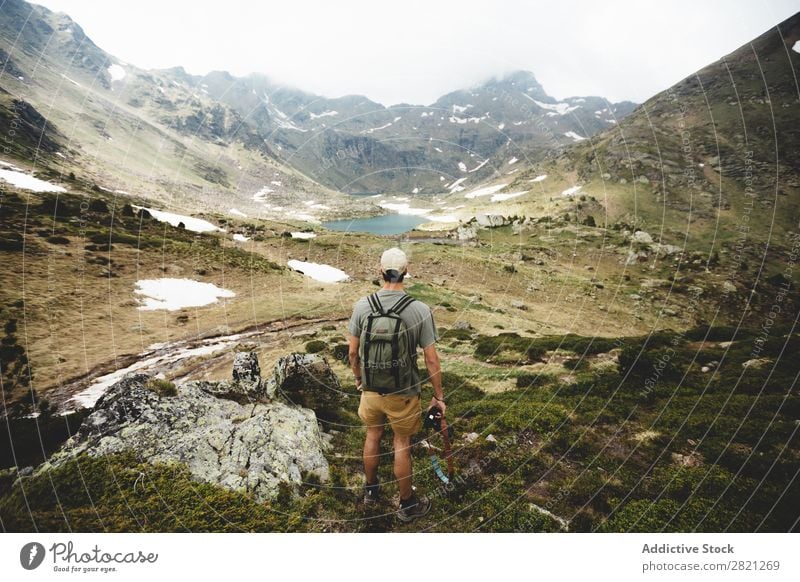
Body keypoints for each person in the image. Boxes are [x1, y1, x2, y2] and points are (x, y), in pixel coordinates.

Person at [348, 247, 445, 522]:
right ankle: (407, 504)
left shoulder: (362, 306)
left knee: (372, 435)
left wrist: (359, 378)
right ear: (406, 272)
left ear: (380, 272)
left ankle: (371, 491)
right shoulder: (420, 310)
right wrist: (438, 396)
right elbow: (431, 360)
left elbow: (352, 353)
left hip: (370, 391)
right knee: (401, 442)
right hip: (403, 394)